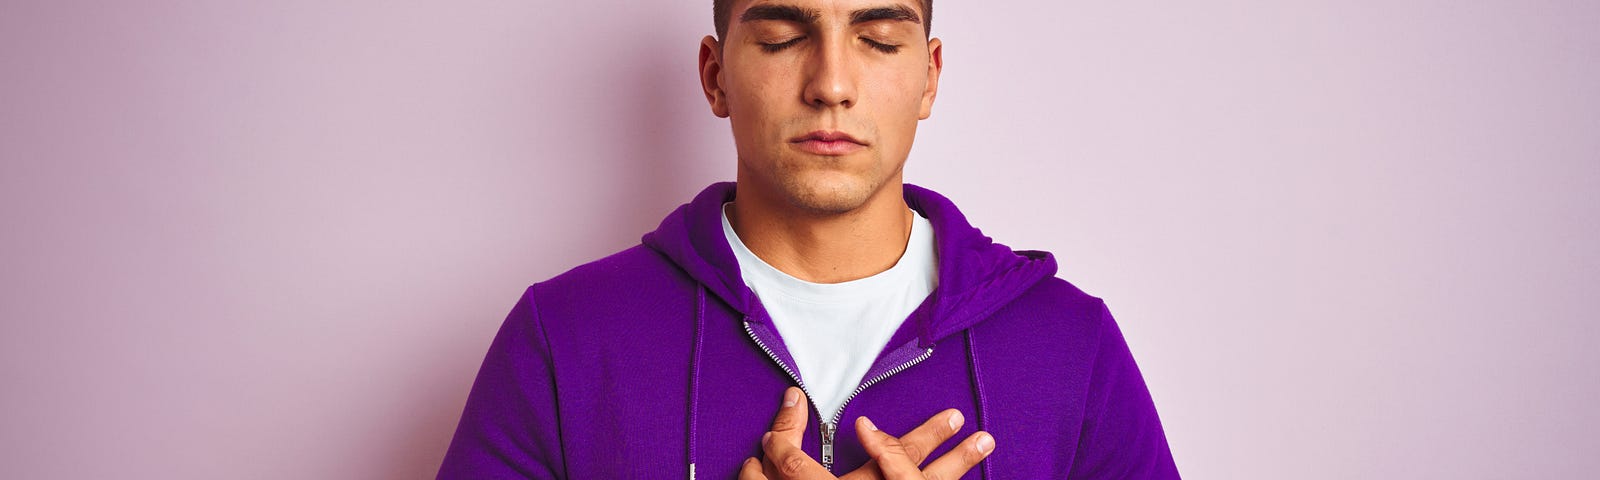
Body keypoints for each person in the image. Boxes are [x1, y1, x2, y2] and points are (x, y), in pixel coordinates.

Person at [437, 0, 1179, 478]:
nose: (830, 83)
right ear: (715, 74)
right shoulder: (563, 338)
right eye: (785, 38)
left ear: (929, 76)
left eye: (879, 41)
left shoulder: (1071, 346)